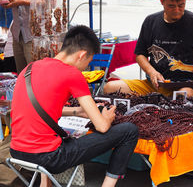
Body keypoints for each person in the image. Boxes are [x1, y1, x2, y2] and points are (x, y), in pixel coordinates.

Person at [10, 25, 139, 187]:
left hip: (16, 152)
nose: (86, 67)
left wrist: (77, 111)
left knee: (53, 134)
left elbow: (40, 109)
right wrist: (107, 117)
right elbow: (102, 127)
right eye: (89, 62)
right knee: (129, 131)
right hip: (49, 157)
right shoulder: (72, 74)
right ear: (82, 55)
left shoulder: (29, 69)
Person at [104, 0, 193, 97]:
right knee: (110, 88)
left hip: (186, 85)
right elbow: (140, 55)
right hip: (154, 85)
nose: (177, 11)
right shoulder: (150, 21)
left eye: (181, 5)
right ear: (161, 1)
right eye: (171, 6)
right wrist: (151, 72)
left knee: (184, 95)